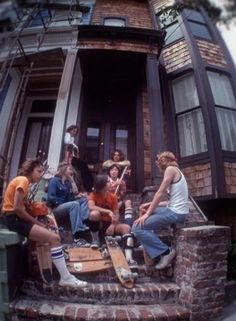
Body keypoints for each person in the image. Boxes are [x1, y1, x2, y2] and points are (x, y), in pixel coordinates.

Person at [2, 158, 87, 287]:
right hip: (13, 219)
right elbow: (17, 208)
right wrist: (37, 224)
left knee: (51, 237)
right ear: (30, 171)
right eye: (38, 171)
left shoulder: (24, 182)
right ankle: (66, 278)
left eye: (42, 171)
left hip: (14, 218)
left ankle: (46, 273)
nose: (41, 174)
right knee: (54, 238)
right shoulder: (23, 180)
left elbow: (22, 206)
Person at [132, 151, 189, 270]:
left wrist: (148, 213)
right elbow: (170, 201)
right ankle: (149, 243)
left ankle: (166, 252)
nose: (159, 166)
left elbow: (160, 192)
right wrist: (148, 205)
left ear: (163, 162)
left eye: (159, 163)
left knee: (136, 227)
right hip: (175, 209)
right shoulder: (177, 171)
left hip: (176, 213)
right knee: (144, 210)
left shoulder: (170, 169)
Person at [88, 174, 137, 268]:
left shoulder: (113, 197)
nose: (110, 183)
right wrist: (108, 211)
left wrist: (113, 225)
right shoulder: (93, 195)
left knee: (126, 228)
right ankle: (95, 240)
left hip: (110, 225)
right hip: (98, 224)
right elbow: (91, 207)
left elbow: (117, 213)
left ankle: (129, 258)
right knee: (94, 214)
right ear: (102, 185)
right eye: (107, 181)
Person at [47, 162, 91, 247]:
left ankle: (83, 220)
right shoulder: (54, 181)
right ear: (63, 170)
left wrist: (78, 196)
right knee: (74, 204)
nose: (71, 171)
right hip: (56, 208)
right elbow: (50, 197)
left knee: (85, 198)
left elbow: (70, 199)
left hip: (66, 205)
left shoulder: (67, 183)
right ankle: (78, 233)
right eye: (69, 169)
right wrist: (63, 203)